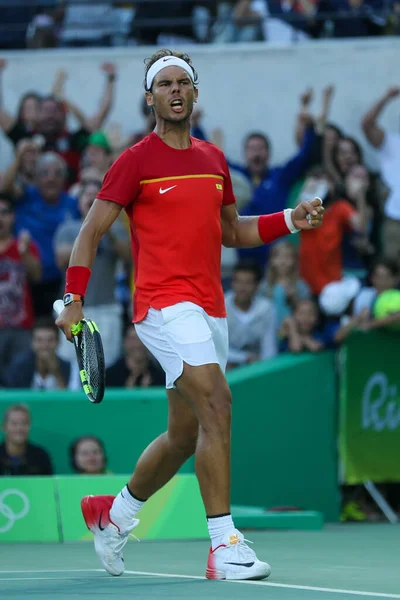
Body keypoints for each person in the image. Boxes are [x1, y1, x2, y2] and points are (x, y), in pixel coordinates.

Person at [56, 48, 324, 581]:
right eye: (165, 84)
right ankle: (223, 544)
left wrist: (290, 219)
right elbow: (91, 231)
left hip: (209, 307)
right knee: (219, 404)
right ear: (150, 97)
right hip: (161, 304)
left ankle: (114, 516)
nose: (176, 91)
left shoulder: (213, 159)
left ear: (195, 94)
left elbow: (232, 232)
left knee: (185, 433)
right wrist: (73, 299)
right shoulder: (134, 161)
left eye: (184, 82)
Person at [55, 179, 130, 366]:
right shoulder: (68, 228)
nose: (90, 198)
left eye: (95, 195)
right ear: (79, 201)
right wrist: (89, 230)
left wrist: (105, 230)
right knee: (72, 366)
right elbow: (61, 260)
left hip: (107, 308)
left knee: (106, 364)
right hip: (72, 306)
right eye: (86, 194)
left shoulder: (117, 228)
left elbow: (128, 256)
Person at [7, 152, 78, 317]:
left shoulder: (73, 204)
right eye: (45, 173)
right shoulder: (24, 198)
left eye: (57, 174)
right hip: (25, 283)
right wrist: (19, 158)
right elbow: (4, 187)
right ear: (36, 178)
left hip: (63, 284)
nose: (51, 179)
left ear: (65, 179)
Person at [0, 194, 41, 384]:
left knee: (19, 380)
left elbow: (36, 276)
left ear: (12, 216)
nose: (0, 217)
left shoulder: (23, 246)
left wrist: (24, 254)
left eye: (4, 212)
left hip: (21, 328)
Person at [361, 87, 400, 265]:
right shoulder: (392, 143)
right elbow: (367, 124)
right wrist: (386, 98)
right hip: (396, 221)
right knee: (392, 272)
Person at [225, 261, 277, 368]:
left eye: (248, 283)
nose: (242, 288)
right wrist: (244, 357)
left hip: (257, 365)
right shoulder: (220, 306)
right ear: (232, 283)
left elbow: (269, 347)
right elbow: (216, 348)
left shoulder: (266, 309)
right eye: (238, 282)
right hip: (227, 365)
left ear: (257, 286)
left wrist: (265, 368)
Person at [6, 317, 72, 389]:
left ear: (58, 342)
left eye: (50, 340)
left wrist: (56, 373)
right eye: (39, 340)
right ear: (32, 342)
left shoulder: (69, 367)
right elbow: (12, 395)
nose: (44, 345)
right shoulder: (19, 367)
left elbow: (71, 398)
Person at [261, 240, 310, 330]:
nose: (283, 261)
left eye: (287, 257)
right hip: (269, 331)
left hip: (294, 332)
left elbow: (308, 313)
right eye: (278, 257)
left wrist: (294, 298)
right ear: (271, 260)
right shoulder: (264, 286)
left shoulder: (301, 286)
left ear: (294, 260)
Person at [0, 404, 53, 475]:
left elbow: (48, 484)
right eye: (14, 424)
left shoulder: (41, 456)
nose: (19, 428)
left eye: (24, 423)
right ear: (4, 427)